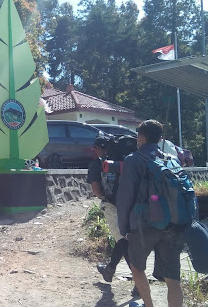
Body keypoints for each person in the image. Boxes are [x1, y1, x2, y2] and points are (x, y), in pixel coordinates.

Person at [117, 120, 183, 307]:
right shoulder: (172, 160)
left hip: (142, 225)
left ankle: (149, 305)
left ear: (141, 137)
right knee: (173, 278)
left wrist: (124, 228)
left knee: (137, 268)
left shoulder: (133, 160)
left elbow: (125, 197)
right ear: (160, 138)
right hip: (171, 225)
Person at [87, 136, 134, 293]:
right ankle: (111, 269)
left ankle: (113, 270)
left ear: (100, 148)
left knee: (122, 240)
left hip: (112, 205)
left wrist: (105, 198)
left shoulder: (97, 164)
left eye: (95, 147)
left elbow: (96, 189)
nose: (94, 150)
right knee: (126, 240)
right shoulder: (126, 160)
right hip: (131, 205)